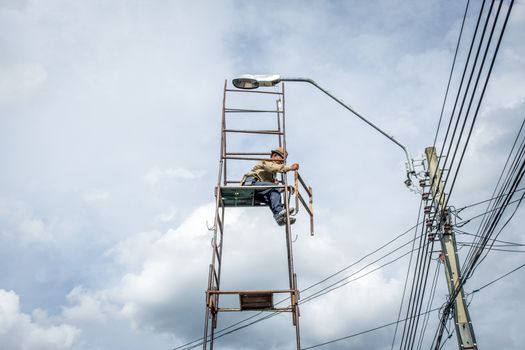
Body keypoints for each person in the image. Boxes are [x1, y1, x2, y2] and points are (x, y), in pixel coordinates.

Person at [241, 147, 299, 226]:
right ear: (274, 156)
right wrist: (290, 168)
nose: (282, 162)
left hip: (257, 192)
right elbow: (273, 167)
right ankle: (279, 211)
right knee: (274, 188)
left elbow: (272, 188)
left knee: (273, 193)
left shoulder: (272, 175)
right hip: (251, 183)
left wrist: (285, 188)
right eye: (281, 159)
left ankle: (279, 217)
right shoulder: (266, 162)